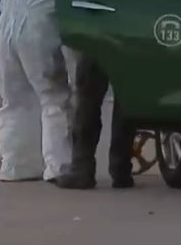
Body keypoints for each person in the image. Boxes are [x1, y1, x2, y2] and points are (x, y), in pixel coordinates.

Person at [0, 0, 80, 182]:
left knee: (14, 100)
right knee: (55, 98)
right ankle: (59, 166)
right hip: (37, 34)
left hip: (6, 32)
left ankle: (15, 165)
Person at [54, 57, 136, 189]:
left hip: (98, 48)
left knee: (88, 100)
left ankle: (82, 168)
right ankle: (121, 169)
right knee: (124, 101)